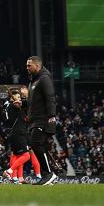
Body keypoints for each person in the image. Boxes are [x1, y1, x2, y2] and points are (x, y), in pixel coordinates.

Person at [25, 55, 58, 185]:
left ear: (37, 66)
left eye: (29, 65)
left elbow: (50, 97)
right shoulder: (34, 81)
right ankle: (48, 176)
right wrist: (21, 103)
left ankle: (48, 174)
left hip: (43, 119)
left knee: (36, 144)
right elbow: (32, 102)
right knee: (38, 145)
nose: (27, 67)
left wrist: (51, 116)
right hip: (35, 120)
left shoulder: (44, 79)